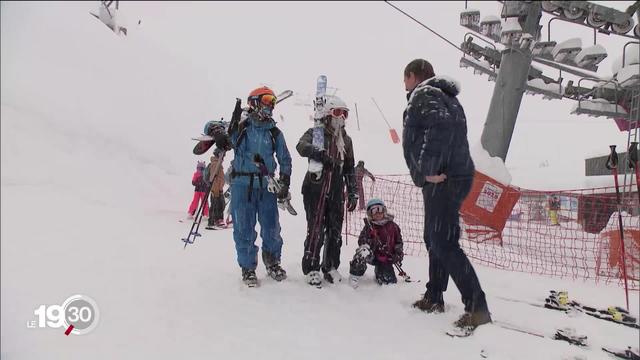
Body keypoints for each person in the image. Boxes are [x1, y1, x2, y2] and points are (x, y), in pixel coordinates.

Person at [401, 59, 491, 330]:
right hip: (454, 174)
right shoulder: (446, 97)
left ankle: (477, 308)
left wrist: (427, 168)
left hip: (442, 178)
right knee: (435, 237)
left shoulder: (424, 94)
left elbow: (441, 128)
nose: (404, 84)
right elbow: (447, 129)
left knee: (444, 242)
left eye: (405, 78)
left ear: (412, 76)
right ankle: (434, 295)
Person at [208, 86, 292, 287]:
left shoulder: (274, 132)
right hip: (242, 186)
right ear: (253, 102)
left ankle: (272, 262)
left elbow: (285, 159)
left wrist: (285, 181)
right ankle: (248, 268)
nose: (270, 104)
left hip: (266, 187)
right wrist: (218, 132)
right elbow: (209, 125)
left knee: (272, 228)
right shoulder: (240, 127)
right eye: (266, 99)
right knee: (243, 228)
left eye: (272, 100)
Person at [297, 94, 358, 287]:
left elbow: (349, 167)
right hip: (316, 186)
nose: (341, 117)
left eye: (345, 114)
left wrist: (353, 190)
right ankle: (311, 266)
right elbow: (301, 146)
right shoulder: (316, 134)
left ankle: (330, 265)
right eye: (337, 112)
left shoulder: (346, 140)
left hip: (336, 188)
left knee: (335, 229)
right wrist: (321, 155)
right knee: (316, 228)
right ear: (327, 114)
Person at [349, 198, 403, 288]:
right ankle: (355, 275)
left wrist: (398, 254)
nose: (378, 213)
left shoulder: (393, 226)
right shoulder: (369, 227)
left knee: (389, 282)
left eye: (380, 209)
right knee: (363, 251)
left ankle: (380, 271)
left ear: (384, 210)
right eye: (374, 211)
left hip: (386, 258)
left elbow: (399, 242)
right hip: (373, 255)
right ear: (370, 213)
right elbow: (361, 241)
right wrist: (370, 241)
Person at [205, 148, 226, 228]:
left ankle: (217, 220)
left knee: (220, 204)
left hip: (219, 188)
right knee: (216, 205)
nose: (224, 157)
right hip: (216, 189)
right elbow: (213, 178)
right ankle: (213, 221)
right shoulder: (215, 164)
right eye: (223, 155)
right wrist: (215, 190)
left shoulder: (218, 163)